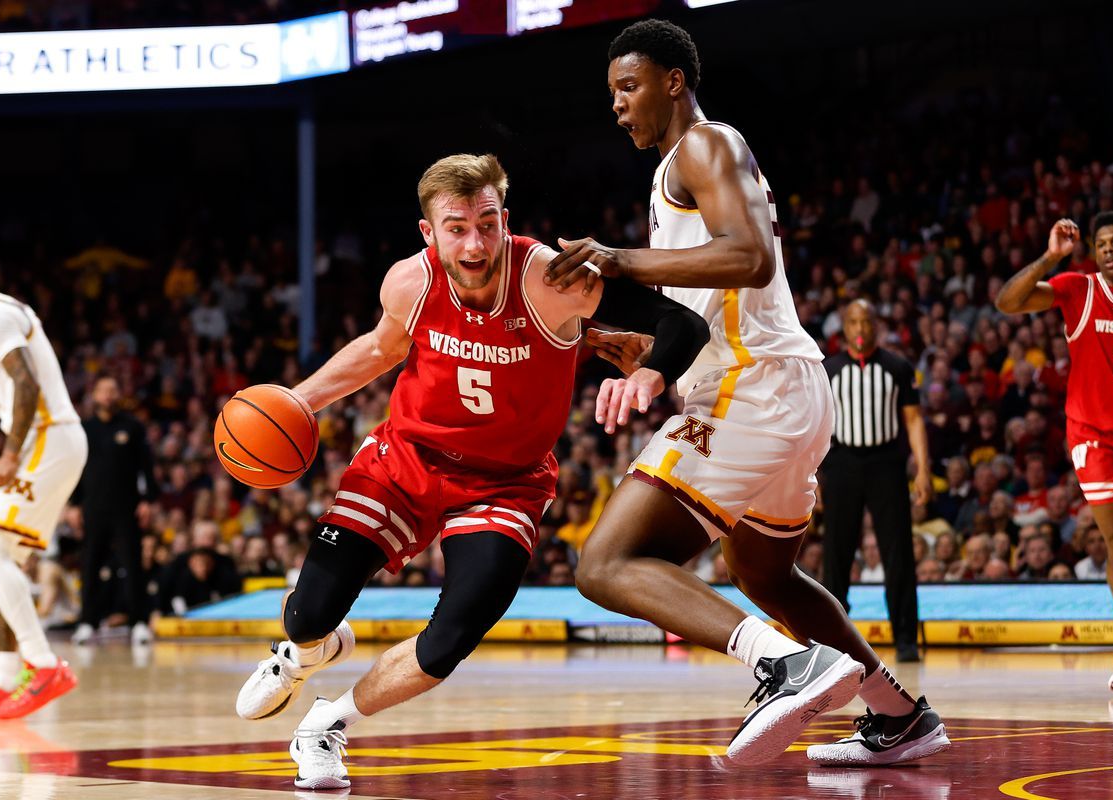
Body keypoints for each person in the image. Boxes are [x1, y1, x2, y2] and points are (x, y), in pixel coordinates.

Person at [232, 154, 710, 790]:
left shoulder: (548, 276)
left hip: (506, 480)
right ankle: (305, 649)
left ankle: (326, 724)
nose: (475, 242)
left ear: (504, 220)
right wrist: (297, 401)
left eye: (487, 223)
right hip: (407, 458)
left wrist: (653, 370)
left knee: (452, 635)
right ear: (429, 234)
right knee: (308, 612)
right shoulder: (410, 282)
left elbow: (684, 323)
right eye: (456, 228)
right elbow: (381, 350)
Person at [543, 20, 949, 766]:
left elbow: (752, 259)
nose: (617, 105)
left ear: (674, 81)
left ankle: (786, 665)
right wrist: (638, 352)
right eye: (611, 94)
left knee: (603, 563)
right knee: (765, 572)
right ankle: (899, 716)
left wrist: (618, 260)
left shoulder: (704, 144)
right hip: (784, 388)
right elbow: (715, 310)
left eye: (628, 87)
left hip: (755, 391)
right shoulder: (686, 172)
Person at [996, 212, 1113, 692]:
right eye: (1100, 242)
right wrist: (1051, 256)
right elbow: (1007, 302)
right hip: (1094, 436)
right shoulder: (1079, 287)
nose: (1107, 249)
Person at [0, 283, 86, 718]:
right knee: (2, 554)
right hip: (50, 440)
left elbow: (25, 383)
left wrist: (9, 454)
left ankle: (43, 664)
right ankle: (5, 677)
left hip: (46, 437)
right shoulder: (1, 310)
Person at [819, 299, 929, 662]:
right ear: (844, 328)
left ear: (877, 325)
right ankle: (834, 639)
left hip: (886, 463)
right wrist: (812, 475)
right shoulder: (829, 369)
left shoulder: (897, 366)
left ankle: (905, 640)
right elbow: (817, 425)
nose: (861, 329)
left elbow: (913, 420)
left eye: (866, 321)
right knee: (837, 552)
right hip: (841, 462)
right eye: (853, 322)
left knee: (898, 552)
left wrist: (923, 469)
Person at [72, 375, 159, 645]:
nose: (108, 395)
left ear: (119, 393)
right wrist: (73, 505)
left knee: (133, 565)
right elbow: (75, 469)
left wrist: (148, 500)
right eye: (103, 390)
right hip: (93, 508)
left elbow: (146, 466)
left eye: (113, 389)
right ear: (94, 395)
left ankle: (139, 623)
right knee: (90, 566)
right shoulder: (83, 429)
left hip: (127, 507)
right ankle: (87, 622)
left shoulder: (132, 427)